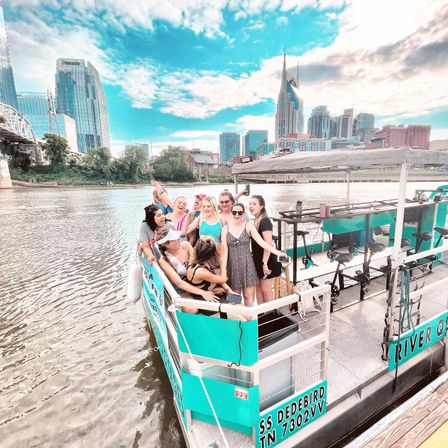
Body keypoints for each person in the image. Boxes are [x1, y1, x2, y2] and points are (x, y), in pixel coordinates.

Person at [221, 203, 287, 306]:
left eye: (240, 212)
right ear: (231, 213)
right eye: (234, 212)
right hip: (232, 267)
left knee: (249, 298)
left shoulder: (248, 226)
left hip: (248, 266)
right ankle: (239, 321)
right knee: (234, 299)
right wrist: (223, 270)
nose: (237, 215)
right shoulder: (225, 228)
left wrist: (279, 253)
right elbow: (225, 252)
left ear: (243, 214)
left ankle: (250, 321)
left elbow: (263, 243)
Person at [155, 227, 218, 312]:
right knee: (192, 309)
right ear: (167, 245)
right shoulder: (164, 261)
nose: (179, 239)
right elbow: (179, 283)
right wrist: (203, 293)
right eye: (174, 239)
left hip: (195, 280)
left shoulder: (186, 245)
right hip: (182, 288)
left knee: (219, 291)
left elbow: (198, 262)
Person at [249, 195, 282, 303]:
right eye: (250, 204)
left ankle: (271, 317)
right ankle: (262, 316)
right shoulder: (256, 221)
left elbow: (268, 244)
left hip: (266, 261)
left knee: (266, 290)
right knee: (258, 289)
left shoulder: (265, 221)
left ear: (261, 206)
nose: (251, 206)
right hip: (257, 260)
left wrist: (264, 263)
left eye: (254, 204)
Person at [185, 237, 232, 303]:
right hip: (204, 298)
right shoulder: (201, 271)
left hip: (210, 290)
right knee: (239, 305)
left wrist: (226, 290)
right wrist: (222, 262)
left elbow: (217, 278)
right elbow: (224, 278)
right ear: (211, 256)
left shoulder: (194, 259)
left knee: (235, 298)